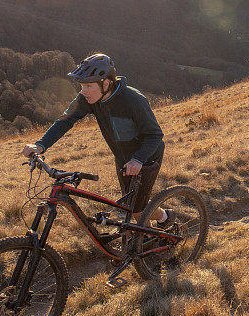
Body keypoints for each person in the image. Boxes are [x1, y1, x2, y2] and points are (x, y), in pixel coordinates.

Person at [21, 53, 171, 226]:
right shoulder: (89, 99)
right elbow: (66, 120)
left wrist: (138, 160)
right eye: (81, 86)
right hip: (123, 159)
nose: (83, 91)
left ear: (105, 83)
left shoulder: (134, 100)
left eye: (88, 86)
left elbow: (155, 135)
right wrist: (40, 145)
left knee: (137, 210)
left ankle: (165, 218)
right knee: (130, 207)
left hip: (147, 157)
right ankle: (142, 239)